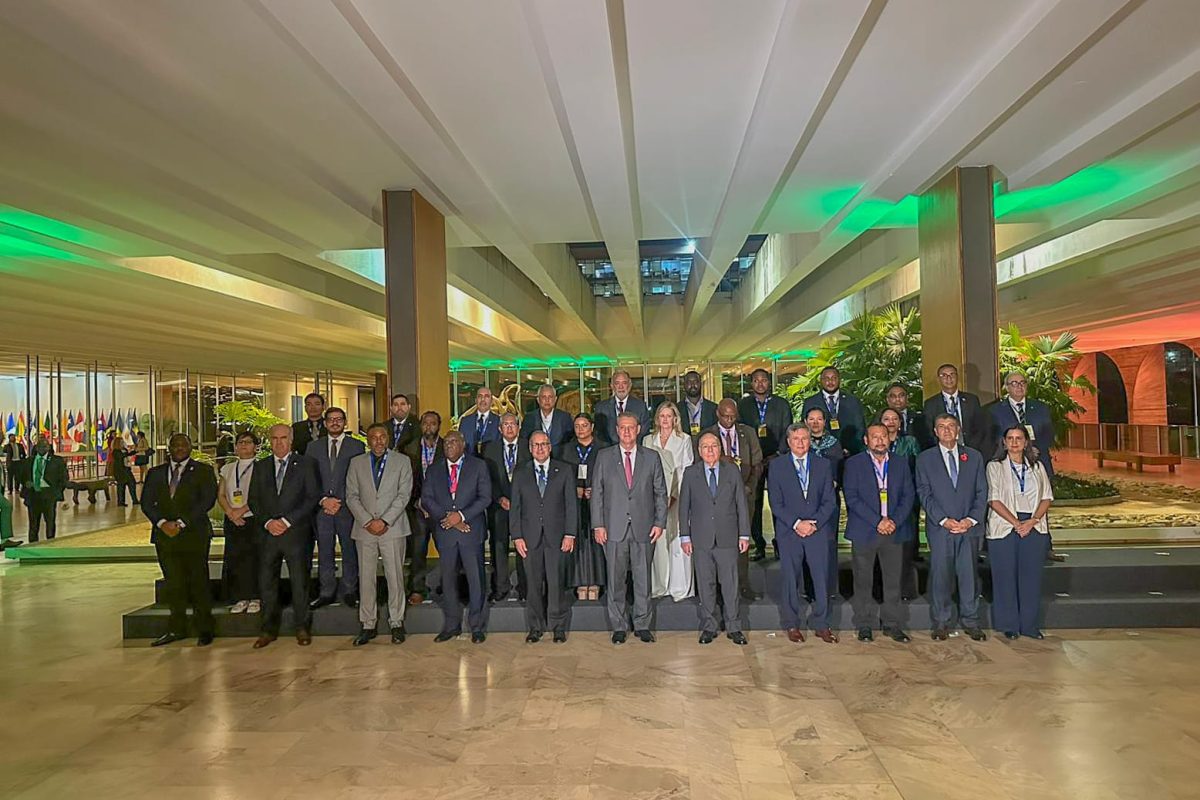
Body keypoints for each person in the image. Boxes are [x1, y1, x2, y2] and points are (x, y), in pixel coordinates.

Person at [591, 412, 668, 644]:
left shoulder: (651, 458)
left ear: (638, 430)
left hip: (644, 528)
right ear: (617, 430)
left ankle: (642, 625)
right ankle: (619, 626)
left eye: (631, 427)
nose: (626, 432)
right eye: (622, 427)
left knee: (643, 579)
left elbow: (660, 493)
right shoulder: (604, 457)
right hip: (613, 529)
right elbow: (597, 493)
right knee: (616, 580)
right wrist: (598, 525)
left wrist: (659, 523)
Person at [916, 414, 989, 641]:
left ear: (958, 429)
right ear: (935, 432)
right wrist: (943, 520)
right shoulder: (925, 459)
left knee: (969, 576)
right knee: (941, 576)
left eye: (951, 426)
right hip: (941, 529)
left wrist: (971, 519)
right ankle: (941, 622)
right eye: (941, 426)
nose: (946, 430)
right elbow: (924, 493)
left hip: (969, 528)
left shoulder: (974, 457)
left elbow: (982, 492)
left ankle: (971, 621)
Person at [141, 433, 218, 647]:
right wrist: (162, 523)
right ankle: (176, 629)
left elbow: (207, 501)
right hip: (164, 536)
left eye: (184, 445)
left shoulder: (203, 471)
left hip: (194, 534)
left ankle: (205, 629)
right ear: (169, 448)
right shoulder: (155, 473)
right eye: (175, 445)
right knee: (173, 583)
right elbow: (146, 502)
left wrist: (182, 523)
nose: (179, 448)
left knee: (198, 582)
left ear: (190, 447)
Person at [250, 424, 320, 648]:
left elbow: (312, 497)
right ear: (269, 441)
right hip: (268, 535)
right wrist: (269, 522)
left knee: (300, 582)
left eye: (283, 438)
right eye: (274, 438)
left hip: (296, 533)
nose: (279, 442)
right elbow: (253, 499)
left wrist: (287, 521)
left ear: (291, 440)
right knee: (267, 583)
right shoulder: (260, 466)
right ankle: (268, 630)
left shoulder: (306, 464)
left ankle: (302, 628)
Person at [844, 423, 915, 643]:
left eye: (883, 436)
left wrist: (893, 521)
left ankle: (892, 624)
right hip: (865, 530)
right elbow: (852, 497)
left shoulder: (901, 463)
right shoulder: (854, 464)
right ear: (866, 440)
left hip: (894, 530)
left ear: (889, 438)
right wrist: (878, 521)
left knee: (893, 581)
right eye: (874, 437)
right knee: (862, 580)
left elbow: (908, 496)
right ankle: (864, 624)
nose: (880, 440)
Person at [768, 425, 838, 644]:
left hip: (817, 530)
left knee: (821, 578)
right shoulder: (777, 466)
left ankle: (822, 624)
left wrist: (814, 523)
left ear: (810, 440)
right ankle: (792, 623)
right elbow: (776, 503)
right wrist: (797, 523)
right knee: (790, 578)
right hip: (790, 531)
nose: (800, 442)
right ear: (788, 442)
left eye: (804, 438)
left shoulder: (823, 465)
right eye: (796, 438)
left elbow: (830, 500)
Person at [346, 423, 414, 646]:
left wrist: (384, 521)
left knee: (395, 576)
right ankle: (368, 624)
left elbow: (404, 495)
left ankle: (396, 622)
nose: (378, 441)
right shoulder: (356, 463)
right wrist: (368, 521)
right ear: (368, 440)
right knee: (366, 578)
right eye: (374, 437)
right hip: (364, 529)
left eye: (382, 436)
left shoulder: (402, 462)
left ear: (388, 438)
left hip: (392, 528)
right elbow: (351, 496)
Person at [679, 432, 750, 645]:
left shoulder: (732, 471)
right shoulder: (690, 473)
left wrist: (744, 534)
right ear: (699, 451)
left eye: (714, 446)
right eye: (705, 446)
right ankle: (709, 627)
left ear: (720, 449)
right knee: (705, 584)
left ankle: (734, 627)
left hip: (728, 537)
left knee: (730, 585)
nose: (710, 450)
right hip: (701, 539)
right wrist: (685, 536)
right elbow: (684, 507)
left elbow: (741, 504)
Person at [422, 430, 492, 643]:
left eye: (453, 442)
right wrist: (448, 518)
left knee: (476, 580)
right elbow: (427, 499)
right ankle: (451, 626)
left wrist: (461, 516)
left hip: (470, 531)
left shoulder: (478, 466)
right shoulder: (434, 469)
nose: (449, 445)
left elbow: (485, 497)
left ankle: (477, 626)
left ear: (463, 445)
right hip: (446, 532)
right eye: (446, 442)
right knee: (448, 580)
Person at [987, 425, 1054, 640]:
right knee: (1005, 576)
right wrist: (1017, 523)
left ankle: (1029, 625)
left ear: (1026, 442)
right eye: (1010, 438)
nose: (1014, 442)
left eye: (1019, 438)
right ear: (1004, 442)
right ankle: (1009, 625)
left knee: (1030, 578)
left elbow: (1047, 497)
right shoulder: (994, 467)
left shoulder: (1037, 466)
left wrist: (1032, 521)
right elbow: (994, 499)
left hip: (1033, 525)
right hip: (1005, 525)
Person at [989, 370, 1064, 563]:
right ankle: (1013, 539)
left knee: (1041, 504)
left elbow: (1048, 434)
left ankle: (1045, 547)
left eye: (1022, 382)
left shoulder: (1040, 408)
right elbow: (993, 437)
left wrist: (1034, 449)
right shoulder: (995, 410)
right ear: (1006, 387)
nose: (1019, 386)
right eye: (1014, 383)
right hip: (1009, 464)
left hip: (1036, 462)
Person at [510, 431, 577, 643]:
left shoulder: (564, 470)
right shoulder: (520, 471)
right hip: (529, 538)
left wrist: (570, 533)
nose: (540, 448)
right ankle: (535, 627)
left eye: (544, 444)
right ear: (530, 448)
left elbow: (571, 505)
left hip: (557, 536)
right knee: (533, 584)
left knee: (556, 583)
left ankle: (558, 627)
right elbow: (515, 507)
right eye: (536, 445)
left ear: (550, 447)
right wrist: (517, 536)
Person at [702, 398, 763, 601]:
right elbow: (699, 466)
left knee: (742, 542)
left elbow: (757, 464)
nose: (729, 420)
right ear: (717, 414)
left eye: (733, 416)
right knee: (717, 543)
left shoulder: (748, 433)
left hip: (744, 496)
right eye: (725, 416)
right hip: (716, 500)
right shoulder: (707, 435)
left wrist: (749, 487)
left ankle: (742, 585)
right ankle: (719, 589)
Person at [306, 407, 365, 609]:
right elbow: (310, 478)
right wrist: (323, 500)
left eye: (339, 419)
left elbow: (359, 478)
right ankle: (326, 592)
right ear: (325, 423)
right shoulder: (313, 447)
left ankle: (349, 591)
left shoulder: (356, 446)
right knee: (324, 551)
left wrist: (341, 500)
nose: (335, 422)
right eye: (331, 419)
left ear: (345, 422)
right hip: (322, 508)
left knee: (349, 550)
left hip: (347, 507)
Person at [737, 368, 793, 562]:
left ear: (769, 382)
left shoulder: (781, 404)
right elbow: (741, 433)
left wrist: (778, 454)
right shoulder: (743, 405)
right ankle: (759, 544)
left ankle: (780, 544)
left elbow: (788, 431)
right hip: (753, 462)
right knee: (755, 502)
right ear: (751, 383)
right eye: (756, 380)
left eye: (764, 380)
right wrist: (754, 458)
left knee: (779, 502)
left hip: (778, 459)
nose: (760, 384)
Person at [643, 401, 694, 601]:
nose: (665, 420)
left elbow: (686, 470)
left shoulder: (684, 439)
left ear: (675, 419)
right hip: (653, 498)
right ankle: (659, 586)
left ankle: (679, 587)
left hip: (678, 496)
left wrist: (672, 496)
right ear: (657, 419)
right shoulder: (648, 440)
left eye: (669, 416)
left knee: (677, 539)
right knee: (658, 540)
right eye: (662, 416)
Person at [556, 413, 605, 602]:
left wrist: (597, 490)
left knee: (596, 543)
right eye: (577, 426)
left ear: (592, 427)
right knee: (578, 543)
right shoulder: (565, 450)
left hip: (597, 503)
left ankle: (596, 582)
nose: (580, 429)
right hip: (574, 503)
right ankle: (579, 582)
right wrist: (573, 489)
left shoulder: (603, 448)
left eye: (584, 425)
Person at [481, 413, 528, 602]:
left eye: (512, 424)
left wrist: (520, 500)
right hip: (499, 506)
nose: (509, 428)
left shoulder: (528, 445)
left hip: (524, 507)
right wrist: (499, 498)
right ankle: (500, 587)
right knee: (498, 547)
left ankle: (525, 587)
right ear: (500, 429)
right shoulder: (489, 449)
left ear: (518, 427)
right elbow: (486, 478)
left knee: (524, 547)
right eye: (505, 425)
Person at [216, 431, 262, 615]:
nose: (243, 445)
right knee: (235, 559)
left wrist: (241, 511)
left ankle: (256, 597)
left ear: (256, 447)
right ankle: (240, 597)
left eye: (248, 442)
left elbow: (261, 495)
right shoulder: (227, 469)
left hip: (253, 518)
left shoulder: (261, 467)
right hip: (232, 519)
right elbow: (221, 494)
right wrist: (230, 512)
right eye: (240, 442)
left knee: (254, 559)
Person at [880, 407, 922, 600]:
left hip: (906, 500)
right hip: (880, 503)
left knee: (905, 547)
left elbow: (918, 469)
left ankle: (905, 590)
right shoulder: (876, 442)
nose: (890, 422)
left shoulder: (910, 442)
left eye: (894, 419)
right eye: (886, 419)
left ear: (900, 422)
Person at [402, 411, 443, 604]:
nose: (429, 426)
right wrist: (418, 501)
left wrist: (435, 503)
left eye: (433, 423)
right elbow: (405, 480)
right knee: (418, 550)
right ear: (420, 425)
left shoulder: (448, 446)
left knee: (446, 549)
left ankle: (447, 587)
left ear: (439, 426)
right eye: (425, 423)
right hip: (417, 507)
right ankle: (417, 588)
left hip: (441, 508)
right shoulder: (409, 449)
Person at [805, 407, 844, 599]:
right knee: (807, 544)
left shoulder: (834, 444)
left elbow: (838, 473)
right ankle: (809, 589)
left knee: (828, 544)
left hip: (828, 501)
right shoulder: (801, 443)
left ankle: (828, 589)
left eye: (819, 419)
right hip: (805, 502)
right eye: (811, 419)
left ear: (825, 422)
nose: (815, 423)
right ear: (806, 422)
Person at [923, 363, 988, 453]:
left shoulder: (972, 400)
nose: (948, 378)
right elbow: (929, 432)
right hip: (943, 451)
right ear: (938, 379)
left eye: (952, 374)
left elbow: (980, 427)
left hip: (970, 449)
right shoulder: (931, 404)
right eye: (944, 375)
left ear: (957, 377)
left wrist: (973, 448)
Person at [801, 367, 866, 456]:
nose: (830, 382)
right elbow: (805, 428)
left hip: (850, 454)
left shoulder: (852, 401)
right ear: (821, 381)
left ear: (839, 380)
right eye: (826, 378)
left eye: (834, 378)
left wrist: (851, 448)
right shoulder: (810, 402)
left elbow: (860, 427)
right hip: (819, 454)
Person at [16, 435, 68, 542]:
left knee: (50, 523)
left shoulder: (57, 461)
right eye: (39, 446)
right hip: (33, 496)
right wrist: (26, 483)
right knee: (33, 524)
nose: (42, 448)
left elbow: (63, 478)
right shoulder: (28, 461)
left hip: (49, 496)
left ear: (49, 447)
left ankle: (51, 544)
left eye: (45, 446)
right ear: (36, 447)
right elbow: (21, 476)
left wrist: (56, 492)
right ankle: (32, 546)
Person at [593, 369, 650, 445]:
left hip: (633, 449)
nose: (621, 387)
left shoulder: (640, 406)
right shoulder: (601, 407)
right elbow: (599, 434)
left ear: (629, 385)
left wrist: (630, 448)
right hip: (608, 450)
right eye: (617, 383)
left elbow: (644, 432)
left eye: (624, 383)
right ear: (612, 386)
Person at [884, 383, 931, 449]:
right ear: (887, 399)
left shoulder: (920, 418)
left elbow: (928, 442)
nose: (897, 399)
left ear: (907, 398)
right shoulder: (880, 419)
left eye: (901, 396)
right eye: (893, 396)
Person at [459, 386, 500, 454]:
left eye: (486, 396)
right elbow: (460, 445)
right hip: (470, 459)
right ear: (476, 400)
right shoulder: (465, 421)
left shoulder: (498, 421)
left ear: (491, 401)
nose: (483, 399)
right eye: (480, 396)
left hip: (491, 460)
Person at [680, 370, 718, 437]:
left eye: (695, 382)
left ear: (700, 383)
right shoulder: (677, 408)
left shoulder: (714, 408)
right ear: (684, 385)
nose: (692, 385)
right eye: (689, 382)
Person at [107, 434, 139, 506]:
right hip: (120, 471)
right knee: (121, 486)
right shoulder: (115, 451)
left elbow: (127, 456)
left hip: (126, 469)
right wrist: (129, 453)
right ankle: (121, 501)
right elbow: (121, 456)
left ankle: (134, 500)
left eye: (123, 442)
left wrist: (133, 452)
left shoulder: (124, 450)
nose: (123, 443)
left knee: (132, 483)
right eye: (121, 442)